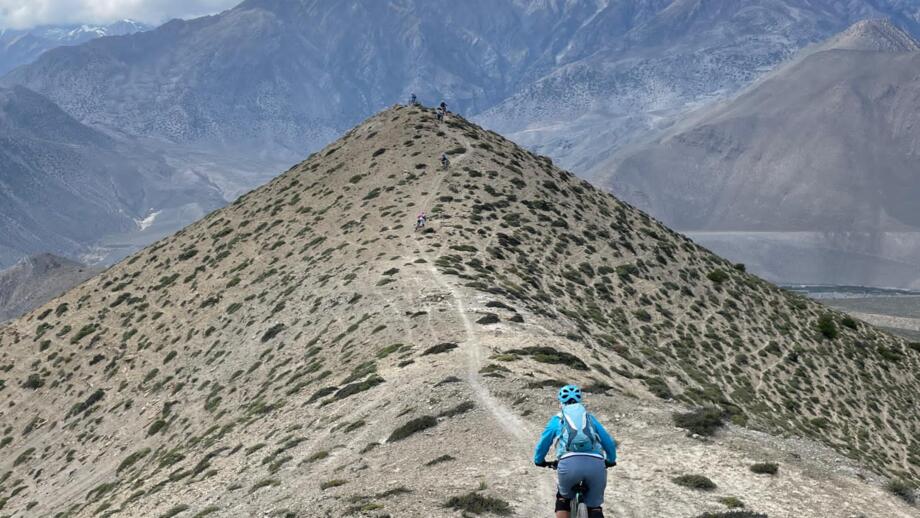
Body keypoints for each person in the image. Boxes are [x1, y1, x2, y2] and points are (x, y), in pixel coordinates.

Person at [534, 384, 617, 518]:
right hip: (596, 465)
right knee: (595, 507)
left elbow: (544, 442)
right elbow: (607, 441)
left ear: (561, 402)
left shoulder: (558, 419)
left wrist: (539, 460)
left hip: (568, 464)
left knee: (563, 499)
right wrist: (611, 460)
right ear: (580, 400)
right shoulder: (589, 418)